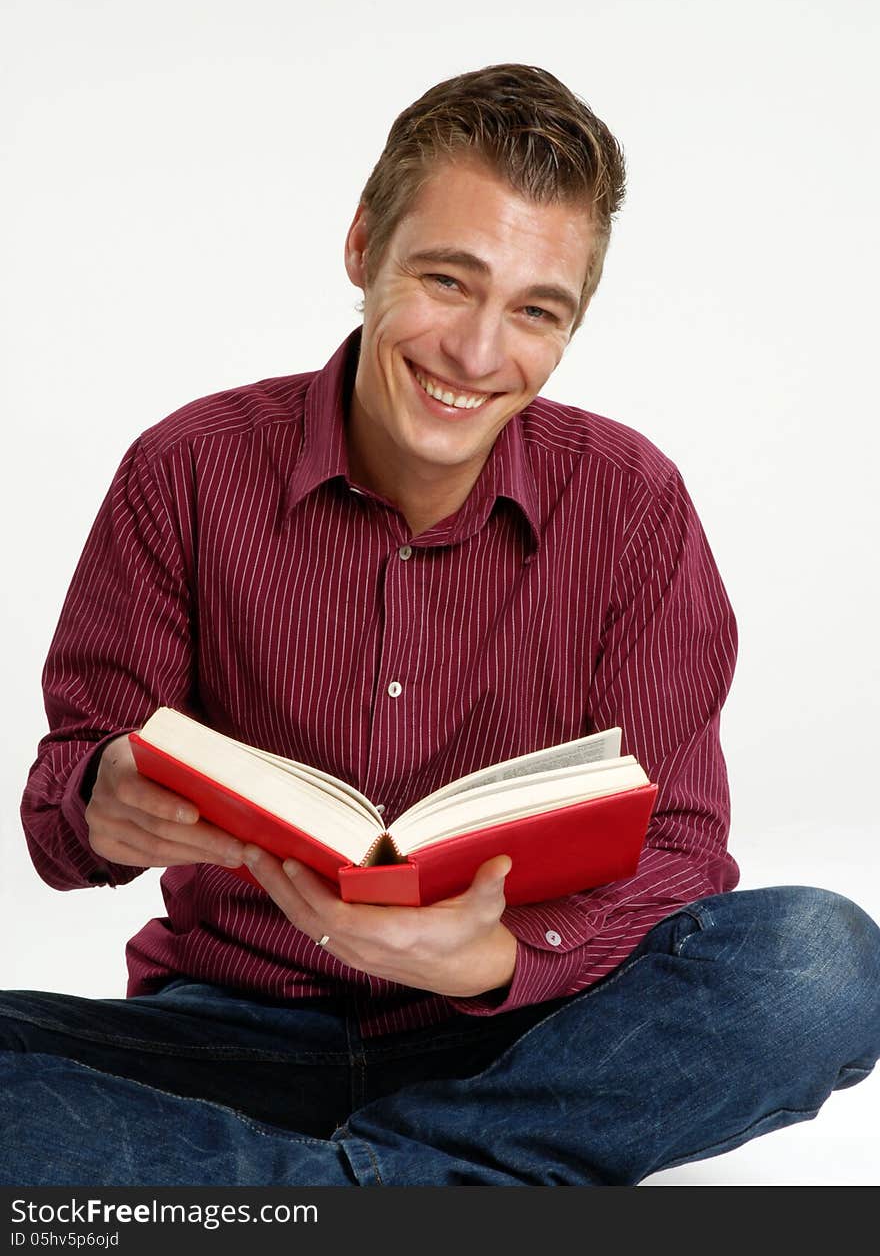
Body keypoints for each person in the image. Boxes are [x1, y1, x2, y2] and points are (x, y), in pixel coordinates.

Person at [6, 63, 880, 1187]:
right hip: (232, 1038)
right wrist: (100, 803)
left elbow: (680, 854)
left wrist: (497, 957)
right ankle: (452, 1186)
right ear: (364, 247)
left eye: (533, 311)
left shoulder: (629, 502)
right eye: (447, 280)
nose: (475, 354)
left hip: (524, 1040)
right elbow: (58, 815)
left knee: (821, 963)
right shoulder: (184, 471)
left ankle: (299, 1189)